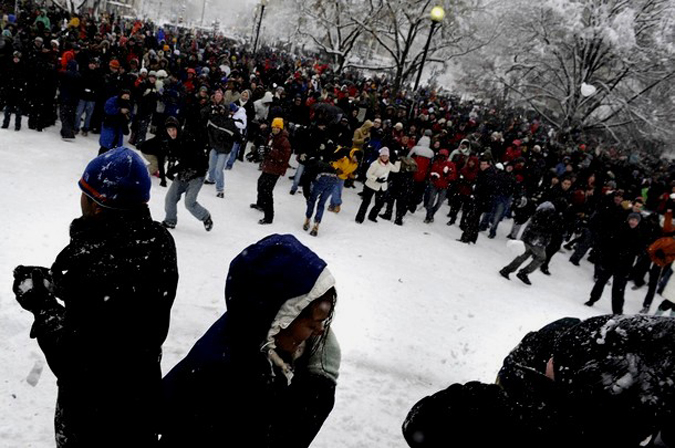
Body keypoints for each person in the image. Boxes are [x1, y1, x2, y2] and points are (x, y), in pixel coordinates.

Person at [12, 147, 178, 447]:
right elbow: (121, 301)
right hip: (140, 402)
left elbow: (74, 362)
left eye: (84, 194)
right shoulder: (158, 241)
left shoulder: (94, 264)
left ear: (98, 206)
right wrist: (54, 283)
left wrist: (43, 306)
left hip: (94, 417)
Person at [159, 234, 341, 447]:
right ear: (279, 319)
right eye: (312, 324)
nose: (321, 331)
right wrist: (321, 384)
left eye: (324, 321)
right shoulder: (230, 377)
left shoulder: (256, 334)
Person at [403, 315, 675, 448]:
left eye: (558, 358)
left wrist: (496, 405)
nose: (549, 359)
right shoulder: (630, 424)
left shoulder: (503, 418)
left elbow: (421, 423)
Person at [584, 212, 643, 313]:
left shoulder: (639, 234)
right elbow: (609, 244)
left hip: (624, 265)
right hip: (611, 261)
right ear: (628, 220)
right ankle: (592, 299)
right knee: (601, 281)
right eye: (632, 220)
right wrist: (605, 258)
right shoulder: (620, 229)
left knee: (619, 288)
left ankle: (617, 310)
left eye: (636, 221)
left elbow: (638, 250)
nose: (634, 222)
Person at [161, 118, 213, 231]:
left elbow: (188, 160)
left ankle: (205, 217)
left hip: (197, 173)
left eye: (173, 129)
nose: (172, 133)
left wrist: (172, 170)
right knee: (170, 198)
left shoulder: (187, 139)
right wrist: (170, 167)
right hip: (183, 172)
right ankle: (170, 221)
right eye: (169, 130)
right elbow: (172, 156)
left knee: (189, 202)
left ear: (178, 128)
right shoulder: (171, 141)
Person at [499, 201, 557, 285]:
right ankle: (523, 273)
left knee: (525, 254)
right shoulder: (549, 214)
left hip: (531, 237)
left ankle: (508, 270)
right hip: (536, 239)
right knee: (541, 257)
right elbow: (544, 228)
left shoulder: (541, 211)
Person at [251, 117, 292, 224]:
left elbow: (285, 157)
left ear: (281, 129)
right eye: (274, 127)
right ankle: (260, 204)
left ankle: (269, 216)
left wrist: (271, 151)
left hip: (276, 169)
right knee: (260, 184)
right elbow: (268, 149)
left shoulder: (284, 140)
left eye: (277, 128)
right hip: (268, 166)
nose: (275, 129)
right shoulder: (271, 137)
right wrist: (262, 151)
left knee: (267, 191)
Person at [355, 147, 401, 224]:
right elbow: (368, 174)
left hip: (382, 187)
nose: (385, 157)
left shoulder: (389, 164)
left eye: (386, 156)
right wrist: (376, 179)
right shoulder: (375, 164)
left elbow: (396, 170)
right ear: (380, 156)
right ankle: (359, 218)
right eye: (383, 155)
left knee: (380, 203)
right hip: (370, 185)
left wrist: (398, 160)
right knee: (366, 202)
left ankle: (372, 216)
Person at [99, 90, 132, 154]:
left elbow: (131, 115)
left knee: (115, 147)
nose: (126, 99)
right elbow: (107, 109)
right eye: (125, 97)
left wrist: (127, 116)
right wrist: (119, 110)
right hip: (109, 124)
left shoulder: (128, 104)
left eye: (128, 97)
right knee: (106, 146)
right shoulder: (112, 100)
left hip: (119, 127)